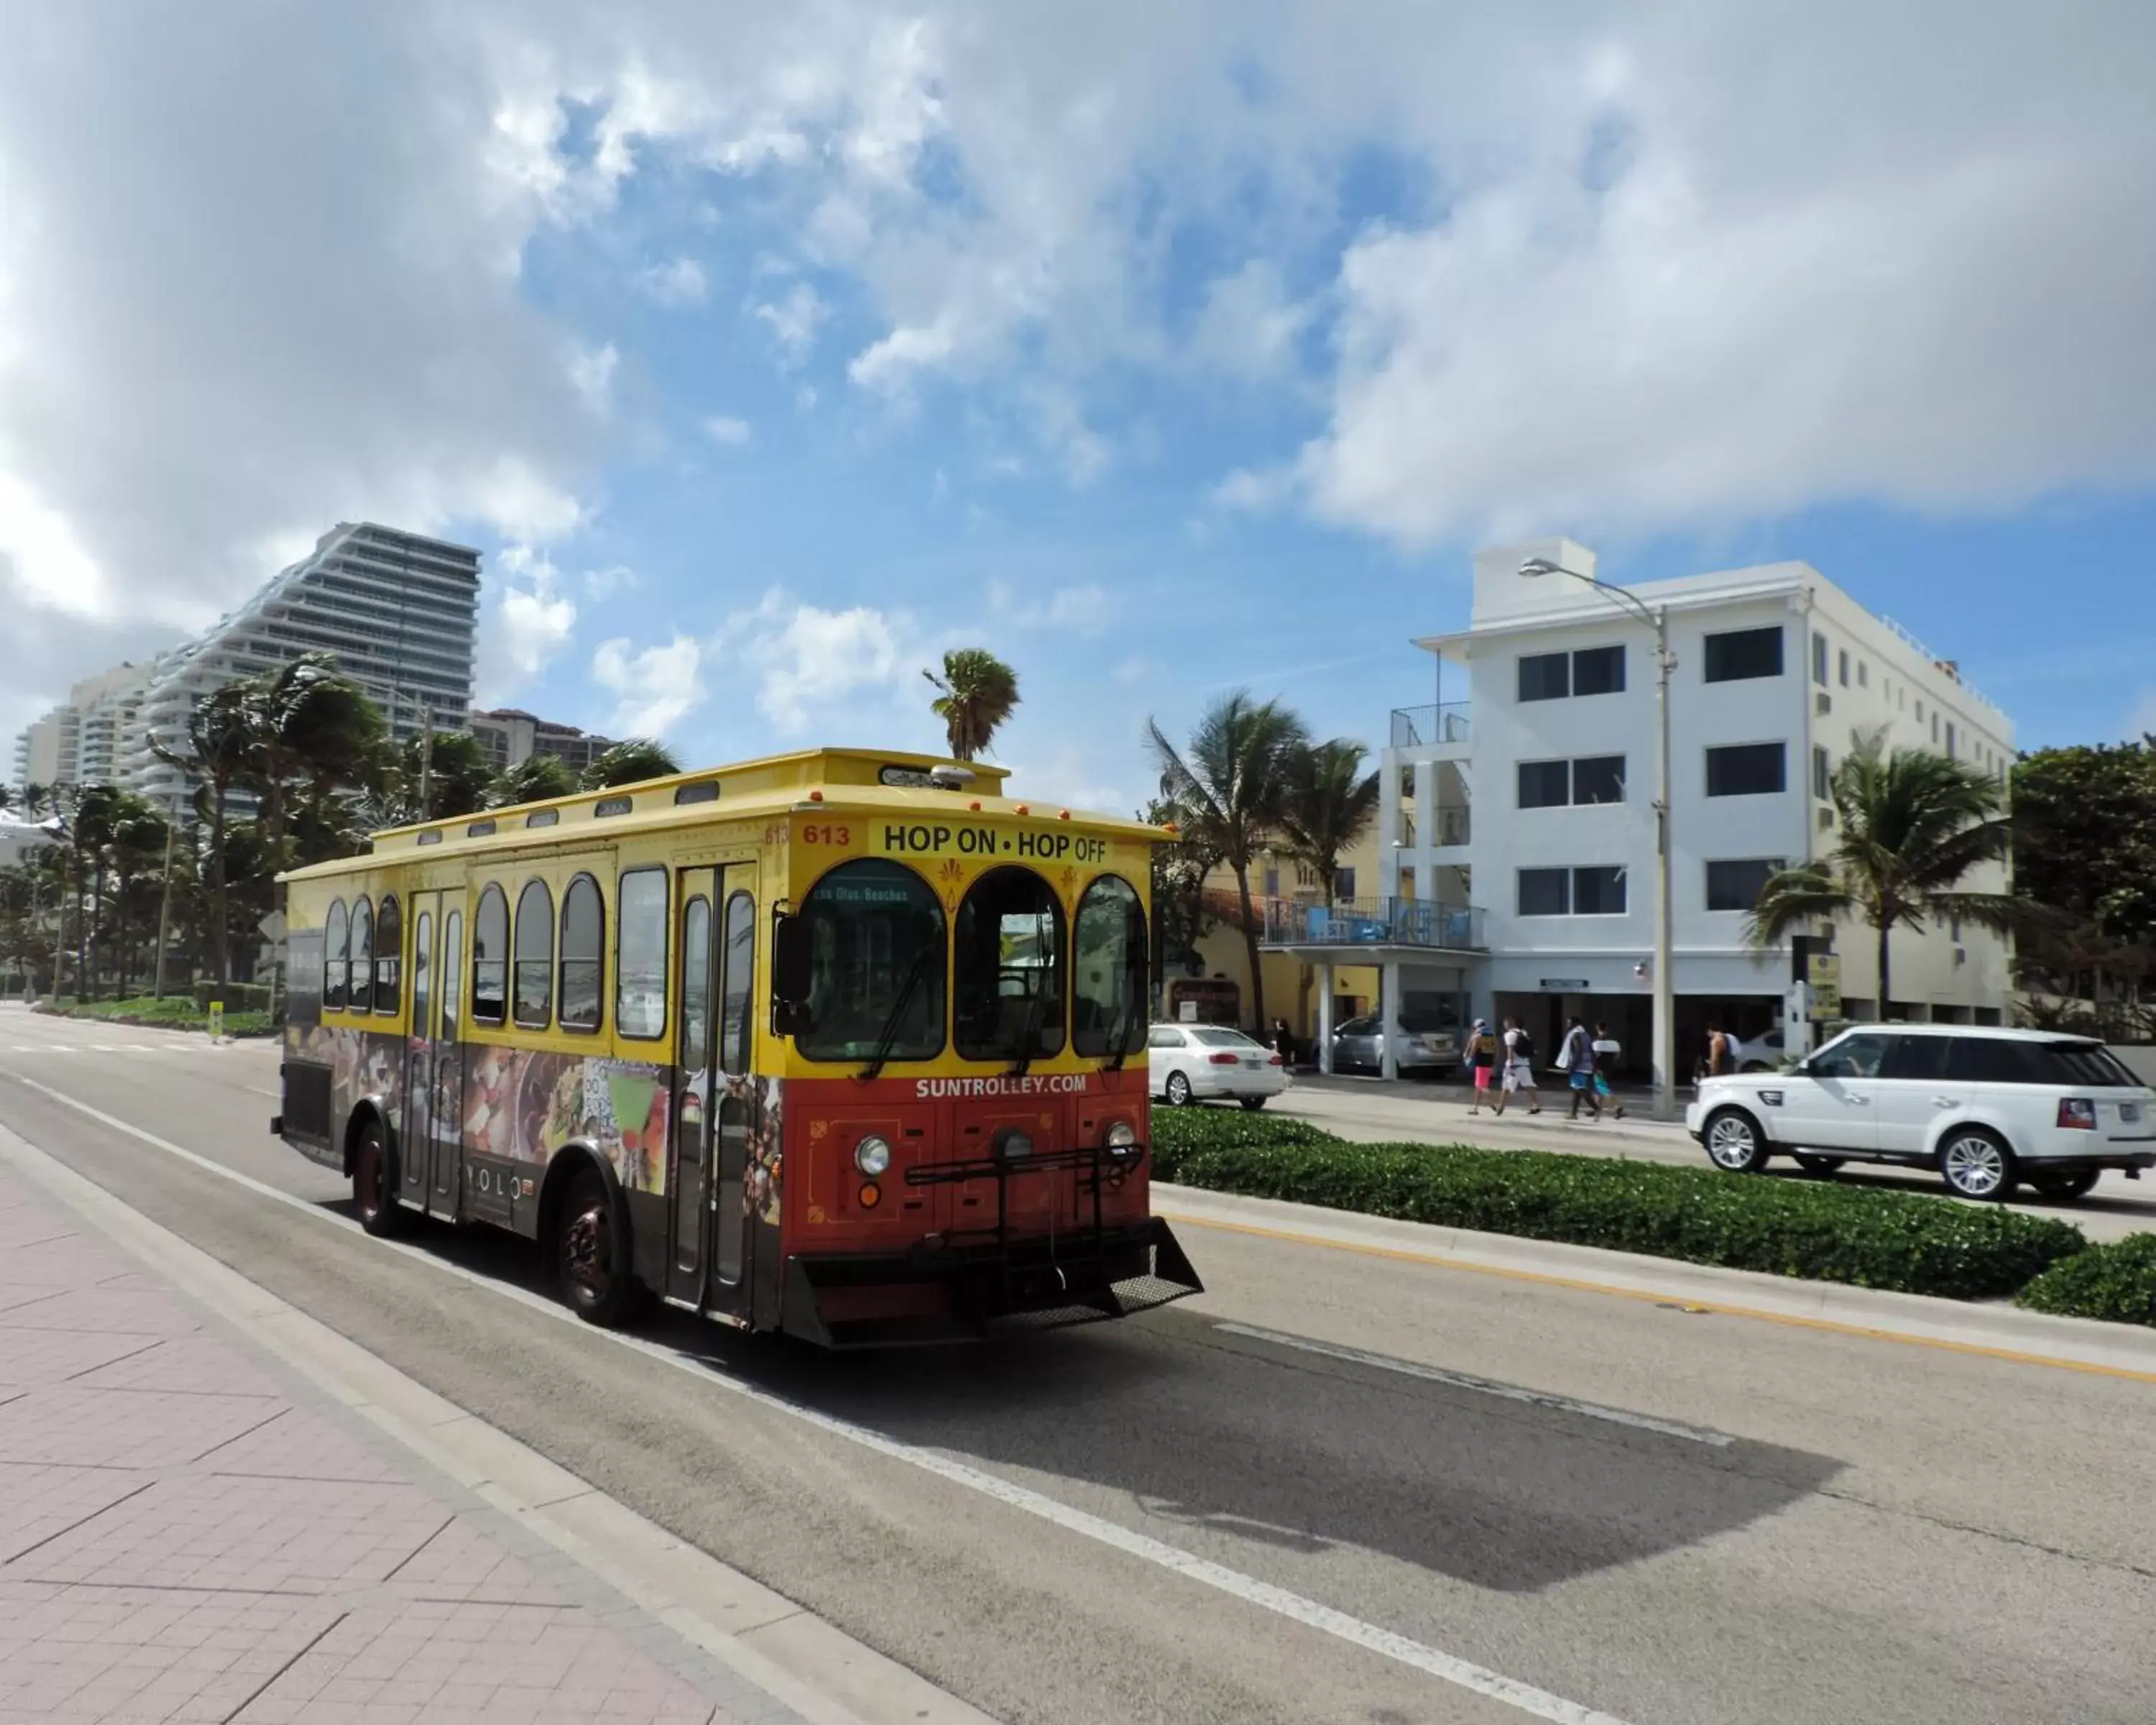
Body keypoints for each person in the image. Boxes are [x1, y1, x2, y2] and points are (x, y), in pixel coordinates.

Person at [1494, 1016, 1540, 1116]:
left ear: (1507, 1024)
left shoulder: (1509, 1035)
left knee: (1506, 1088)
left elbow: (1510, 1050)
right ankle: (1536, 1105)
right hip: (1525, 1065)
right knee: (1529, 1086)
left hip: (1514, 1066)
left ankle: (1500, 1108)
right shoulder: (1524, 1033)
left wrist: (1510, 1064)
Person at [1560, 1016, 1600, 1120]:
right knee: (1576, 1090)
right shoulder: (1585, 1034)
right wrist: (1594, 1065)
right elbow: (1591, 1051)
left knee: (1580, 1089)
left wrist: (1573, 1066)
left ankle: (1596, 1108)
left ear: (1575, 1024)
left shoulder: (1575, 1035)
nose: (1567, 1025)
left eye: (1569, 1023)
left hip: (1579, 1066)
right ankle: (1573, 1113)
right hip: (1587, 1064)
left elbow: (1579, 1051)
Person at [1591, 1022, 1625, 1120]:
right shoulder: (1614, 1042)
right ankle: (1597, 1110)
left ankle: (1616, 1108)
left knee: (1604, 1089)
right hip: (1610, 1069)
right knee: (1597, 1090)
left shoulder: (1596, 1042)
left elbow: (1594, 1056)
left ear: (1597, 1029)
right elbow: (1617, 1055)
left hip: (1599, 1069)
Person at [1465, 1018, 1497, 1113]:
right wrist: (1494, 1060)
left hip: (1480, 1063)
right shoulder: (1492, 1036)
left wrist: (1469, 1058)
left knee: (1481, 1086)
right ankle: (1475, 1108)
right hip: (1489, 1063)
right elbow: (1496, 1050)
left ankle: (1495, 1103)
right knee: (1479, 1087)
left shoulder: (1477, 1036)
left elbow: (1474, 1049)